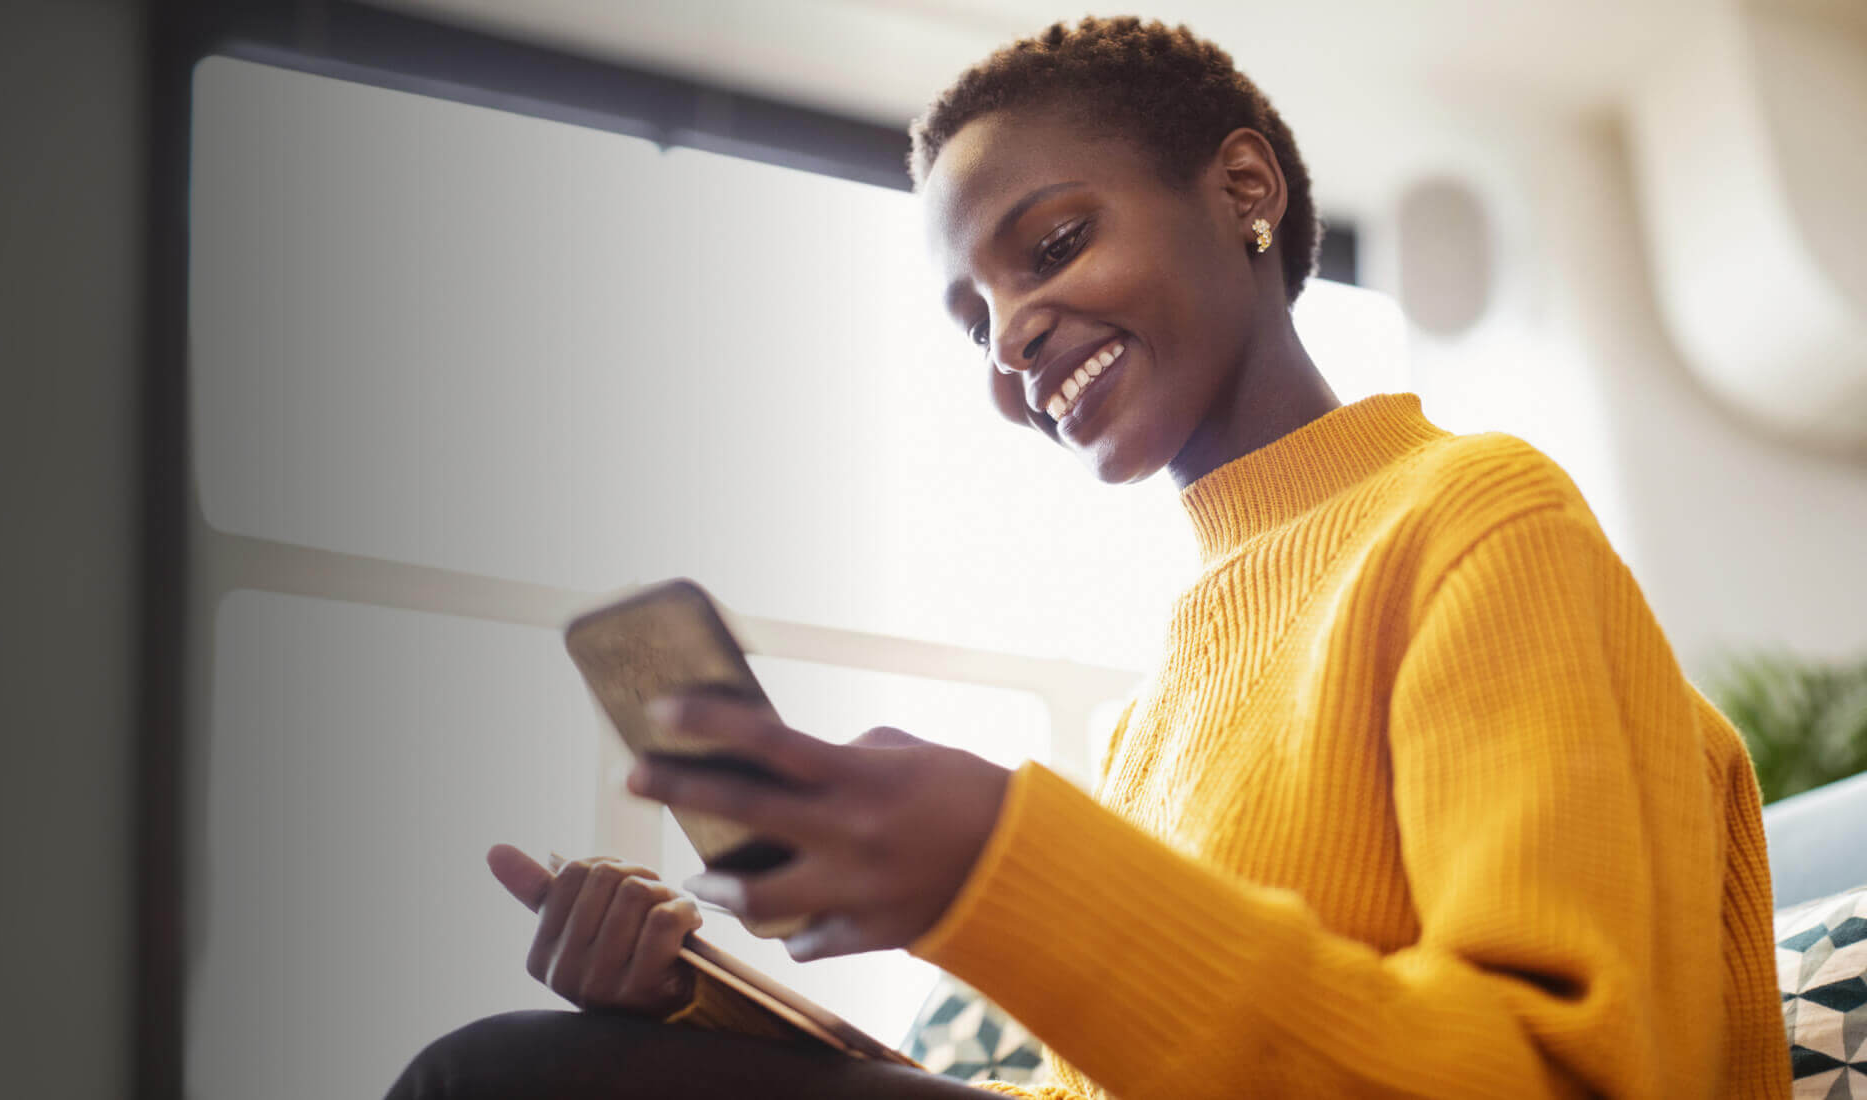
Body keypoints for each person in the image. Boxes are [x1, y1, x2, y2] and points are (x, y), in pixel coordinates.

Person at [385, 15, 1790, 1100]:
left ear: (1244, 184)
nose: (1010, 340)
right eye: (972, 319)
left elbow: (1557, 1077)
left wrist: (1001, 867)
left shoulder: (1479, 522)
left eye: (1051, 244)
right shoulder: (1152, 710)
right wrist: (706, 1012)